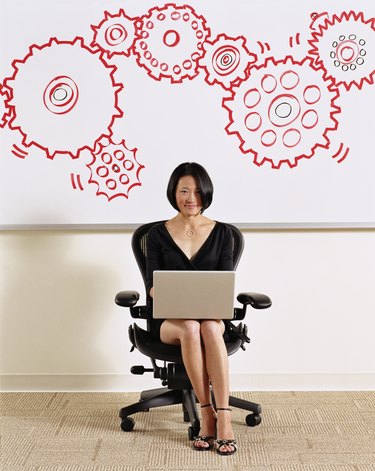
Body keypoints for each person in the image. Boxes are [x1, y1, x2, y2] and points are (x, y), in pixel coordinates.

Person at [146, 162, 237, 455]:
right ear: (174, 192)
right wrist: (164, 294)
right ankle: (206, 410)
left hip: (212, 317)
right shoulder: (157, 235)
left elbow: (225, 282)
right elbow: (152, 284)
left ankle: (222, 416)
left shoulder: (223, 233)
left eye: (197, 191)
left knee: (208, 325)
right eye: (184, 190)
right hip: (172, 322)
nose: (191, 197)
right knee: (190, 326)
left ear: (206, 193)